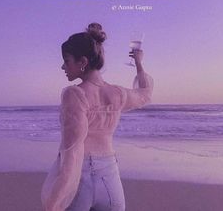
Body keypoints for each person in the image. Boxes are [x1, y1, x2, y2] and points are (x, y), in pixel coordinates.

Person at [41, 23, 154, 211]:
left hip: (78, 180)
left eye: (67, 60)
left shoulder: (75, 95)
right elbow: (145, 94)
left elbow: (73, 151)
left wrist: (53, 203)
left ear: (82, 62)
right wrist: (139, 63)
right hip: (110, 179)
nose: (63, 66)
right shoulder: (117, 93)